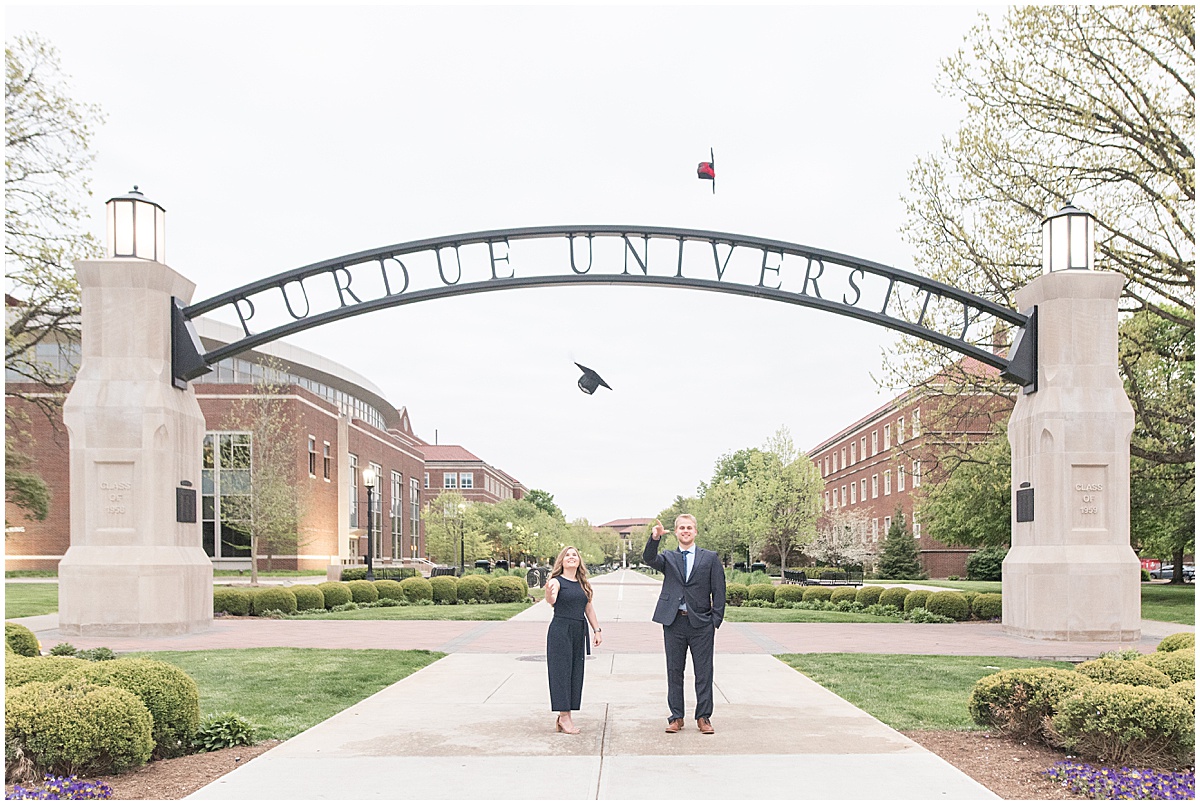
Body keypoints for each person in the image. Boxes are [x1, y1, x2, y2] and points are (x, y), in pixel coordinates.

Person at [643, 514, 726, 734]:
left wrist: (715, 621)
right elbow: (649, 558)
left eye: (689, 527)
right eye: (681, 528)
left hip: (701, 624)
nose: (685, 531)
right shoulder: (668, 557)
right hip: (674, 622)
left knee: (704, 672)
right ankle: (676, 717)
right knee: (674, 671)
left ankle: (703, 717)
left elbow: (719, 590)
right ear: (676, 532)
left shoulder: (709, 558)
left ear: (695, 531)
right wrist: (655, 538)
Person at [545, 545, 602, 734]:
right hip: (561, 630)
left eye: (574, 555)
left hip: (579, 630)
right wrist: (548, 593)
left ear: (579, 561)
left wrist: (597, 630)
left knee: (575, 673)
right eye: (567, 555)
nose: (571, 557)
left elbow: (588, 608)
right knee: (561, 673)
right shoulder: (557, 581)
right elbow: (552, 600)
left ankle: (568, 714)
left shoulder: (582, 583)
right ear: (561, 561)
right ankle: (564, 717)